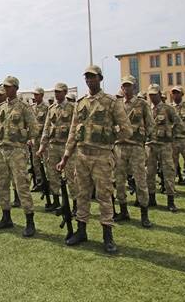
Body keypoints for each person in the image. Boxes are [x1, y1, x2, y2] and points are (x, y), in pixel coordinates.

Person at [56, 65, 132, 254]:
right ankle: (82, 232)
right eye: (87, 78)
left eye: (93, 77)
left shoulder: (111, 102)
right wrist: (65, 157)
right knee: (82, 194)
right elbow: (73, 132)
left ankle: (108, 236)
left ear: (100, 78)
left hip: (101, 156)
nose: (90, 80)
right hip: (81, 156)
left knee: (104, 196)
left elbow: (127, 129)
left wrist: (109, 137)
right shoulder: (80, 103)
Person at [0, 76, 38, 237]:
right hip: (1, 151)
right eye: (4, 87)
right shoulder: (0, 108)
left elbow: (34, 128)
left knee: (22, 186)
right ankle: (6, 217)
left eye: (8, 87)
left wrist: (25, 137)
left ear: (15, 88)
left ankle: (30, 221)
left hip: (17, 151)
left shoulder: (23, 107)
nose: (6, 90)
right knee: (2, 185)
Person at [112, 75, 154, 227]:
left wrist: (144, 140)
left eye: (129, 85)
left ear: (134, 87)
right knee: (119, 180)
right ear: (121, 88)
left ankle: (144, 213)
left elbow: (150, 124)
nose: (126, 88)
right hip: (120, 147)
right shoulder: (116, 104)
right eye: (124, 86)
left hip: (136, 147)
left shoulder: (141, 104)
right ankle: (123, 211)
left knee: (140, 180)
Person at [37, 83, 77, 214]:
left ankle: (75, 205)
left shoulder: (72, 108)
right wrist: (42, 146)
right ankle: (56, 201)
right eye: (55, 91)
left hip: (67, 147)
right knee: (52, 175)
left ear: (65, 92)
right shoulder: (52, 108)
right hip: (53, 146)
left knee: (71, 176)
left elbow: (76, 128)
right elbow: (46, 128)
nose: (56, 94)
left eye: (59, 92)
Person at [145, 84, 182, 212]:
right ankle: (151, 198)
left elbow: (178, 124)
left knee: (168, 172)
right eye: (150, 95)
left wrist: (172, 136)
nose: (152, 97)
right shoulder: (147, 109)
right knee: (149, 173)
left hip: (165, 145)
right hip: (150, 146)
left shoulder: (168, 109)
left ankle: (170, 201)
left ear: (160, 94)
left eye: (154, 94)